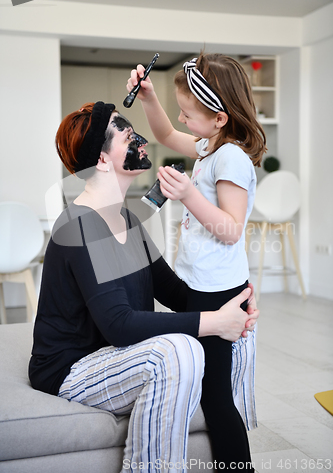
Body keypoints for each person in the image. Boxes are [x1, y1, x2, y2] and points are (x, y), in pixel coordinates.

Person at [29, 101, 259, 473]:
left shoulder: (127, 221)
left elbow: (177, 294)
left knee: (239, 330)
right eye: (128, 135)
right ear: (102, 160)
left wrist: (234, 305)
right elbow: (119, 324)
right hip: (72, 369)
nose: (142, 142)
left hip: (113, 356)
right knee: (176, 349)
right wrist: (213, 322)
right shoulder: (81, 225)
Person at [127, 53, 267, 471]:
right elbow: (167, 133)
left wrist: (189, 195)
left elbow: (230, 229)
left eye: (190, 113)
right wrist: (149, 97)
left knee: (216, 396)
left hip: (218, 292)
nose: (183, 120)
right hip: (198, 284)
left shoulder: (231, 159)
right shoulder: (209, 146)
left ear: (220, 117)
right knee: (202, 385)